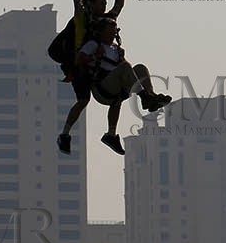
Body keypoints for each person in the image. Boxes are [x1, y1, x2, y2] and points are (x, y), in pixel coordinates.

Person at [57, 17, 172, 155]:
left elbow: (125, 68)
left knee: (140, 68)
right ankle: (144, 97)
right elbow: (79, 59)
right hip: (102, 86)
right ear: (102, 32)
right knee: (125, 67)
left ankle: (150, 96)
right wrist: (95, 56)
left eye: (114, 30)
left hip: (116, 86)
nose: (113, 33)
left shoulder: (115, 48)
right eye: (110, 30)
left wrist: (121, 58)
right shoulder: (94, 45)